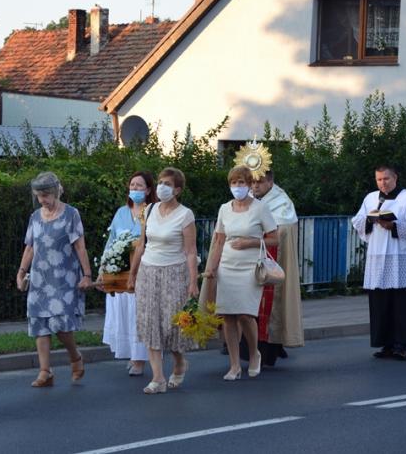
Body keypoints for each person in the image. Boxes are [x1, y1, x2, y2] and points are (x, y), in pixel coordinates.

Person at [17, 172, 93, 387]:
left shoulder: (71, 214)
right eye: (39, 196)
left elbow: (80, 246)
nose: (42, 200)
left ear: (56, 192)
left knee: (61, 325)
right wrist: (21, 272)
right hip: (39, 278)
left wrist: (87, 275)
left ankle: (75, 356)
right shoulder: (35, 217)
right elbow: (30, 246)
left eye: (46, 195)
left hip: (64, 278)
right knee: (39, 323)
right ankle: (45, 371)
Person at [351, 165, 406, 360]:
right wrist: (369, 220)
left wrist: (393, 226)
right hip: (378, 257)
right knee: (381, 302)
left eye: (386, 179)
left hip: (401, 257)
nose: (383, 183)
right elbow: (357, 221)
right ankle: (386, 344)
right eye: (379, 179)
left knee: (402, 303)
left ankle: (401, 345)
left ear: (395, 178)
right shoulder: (371, 198)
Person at [128, 167, 199, 394]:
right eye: (160, 182)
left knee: (171, 326)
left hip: (174, 274)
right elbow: (142, 244)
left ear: (177, 190)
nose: (162, 187)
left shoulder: (185, 215)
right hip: (148, 272)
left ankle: (179, 362)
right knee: (150, 323)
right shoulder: (149, 210)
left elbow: (190, 251)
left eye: (167, 184)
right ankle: (158, 378)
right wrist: (132, 274)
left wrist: (193, 282)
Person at [205, 166, 278, 380]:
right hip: (227, 266)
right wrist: (212, 267)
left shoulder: (260, 208)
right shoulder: (224, 209)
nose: (237, 186)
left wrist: (250, 242)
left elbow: (275, 239)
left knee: (246, 314)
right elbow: (219, 240)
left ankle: (254, 354)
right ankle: (234, 364)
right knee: (228, 316)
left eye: (242, 182)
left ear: (249, 185)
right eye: (234, 183)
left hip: (250, 267)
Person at [99, 171, 156, 376]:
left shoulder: (153, 212)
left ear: (148, 190)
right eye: (132, 185)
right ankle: (132, 354)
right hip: (120, 271)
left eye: (139, 186)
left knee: (138, 315)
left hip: (143, 270)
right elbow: (112, 240)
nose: (135, 189)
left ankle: (139, 359)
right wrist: (103, 268)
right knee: (124, 313)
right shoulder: (122, 212)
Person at [251, 170, 304, 366]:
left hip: (271, 260)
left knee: (271, 307)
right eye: (252, 182)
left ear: (270, 181)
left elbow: (282, 231)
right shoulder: (248, 199)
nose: (255, 186)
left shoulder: (281, 202)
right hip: (249, 260)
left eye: (260, 181)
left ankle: (270, 347)